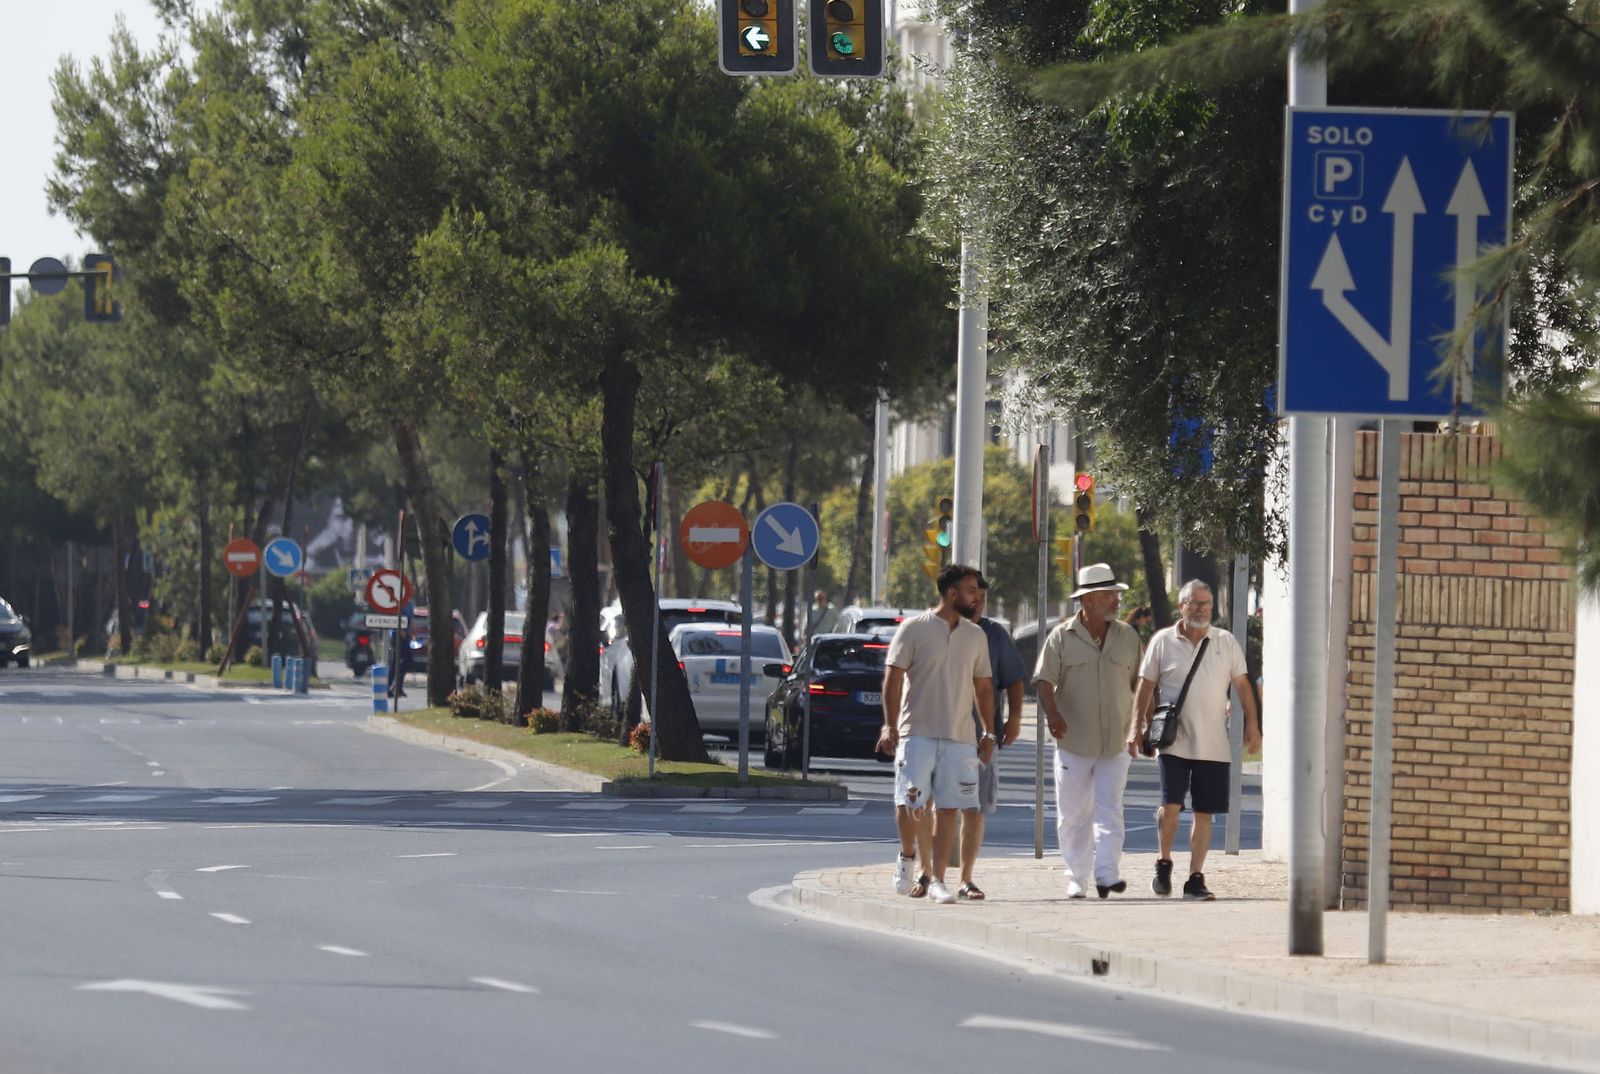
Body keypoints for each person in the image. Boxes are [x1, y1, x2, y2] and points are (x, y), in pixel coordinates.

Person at [1129, 579, 1262, 901]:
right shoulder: (1163, 641)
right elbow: (1145, 685)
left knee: (1205, 812)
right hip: (1174, 739)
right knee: (1170, 805)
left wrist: (1253, 724)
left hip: (1213, 742)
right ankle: (1164, 862)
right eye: (1195, 604)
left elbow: (1242, 685)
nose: (1202, 610)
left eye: (1207, 605)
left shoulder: (1225, 641)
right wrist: (1137, 726)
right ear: (1182, 607)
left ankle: (1195, 878)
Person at [877, 564, 995, 905]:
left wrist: (987, 731)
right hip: (917, 732)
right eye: (972, 590)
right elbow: (893, 679)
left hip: (960, 737)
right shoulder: (914, 629)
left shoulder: (976, 636)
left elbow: (983, 687)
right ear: (952, 593)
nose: (977, 597)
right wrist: (889, 725)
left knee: (948, 808)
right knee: (911, 802)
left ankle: (939, 880)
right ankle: (907, 855)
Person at [1033, 563, 1143, 899]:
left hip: (1116, 740)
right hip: (1074, 741)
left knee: (1111, 809)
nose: (1116, 601)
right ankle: (1076, 877)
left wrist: (1140, 727)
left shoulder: (1128, 637)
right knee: (1073, 814)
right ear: (1088, 600)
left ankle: (1107, 874)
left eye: (1116, 595)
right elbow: (1044, 680)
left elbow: (1141, 684)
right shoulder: (1062, 637)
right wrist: (1052, 715)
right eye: (1108, 595)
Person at [954, 574, 1027, 900]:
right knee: (932, 808)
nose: (979, 601)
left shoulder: (995, 635)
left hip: (982, 738)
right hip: (940, 735)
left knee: (975, 809)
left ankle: (966, 878)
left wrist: (1013, 720)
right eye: (973, 594)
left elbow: (1014, 680)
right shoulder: (938, 629)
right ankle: (929, 872)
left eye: (983, 595)